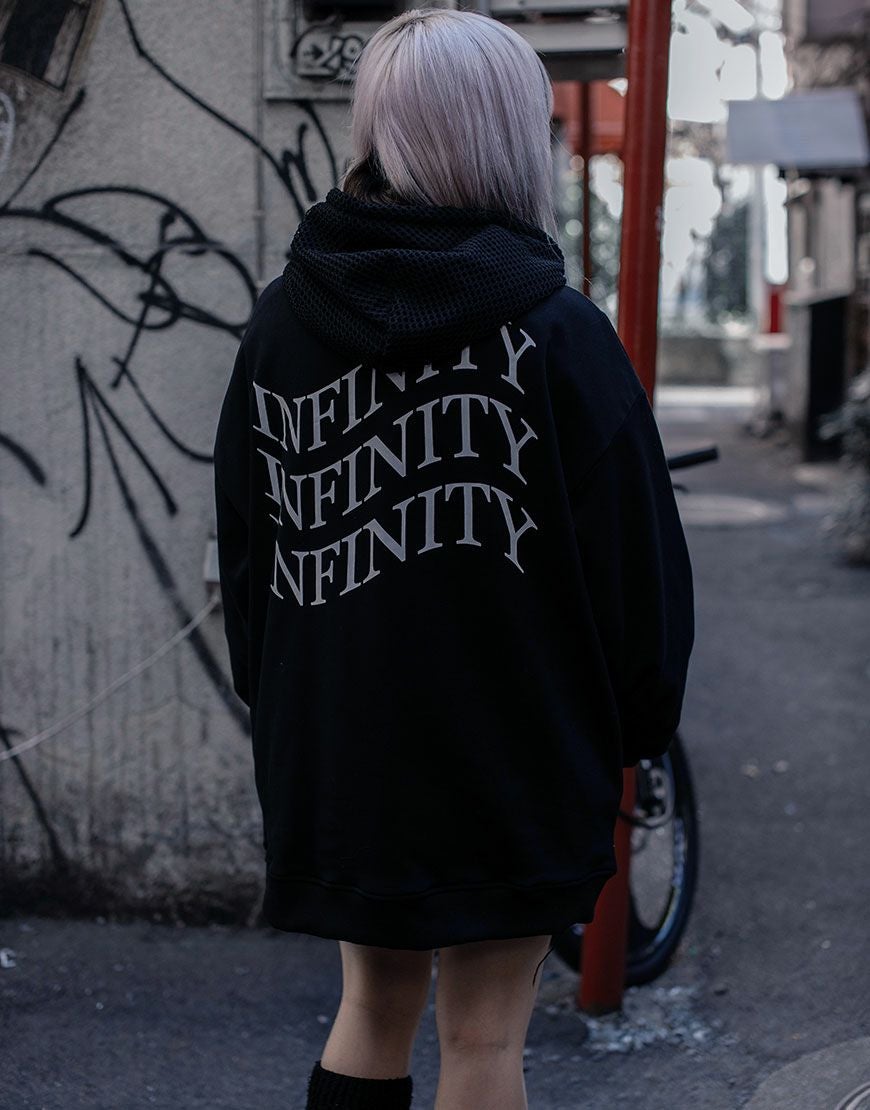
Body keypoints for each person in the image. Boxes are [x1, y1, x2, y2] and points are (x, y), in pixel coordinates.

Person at [212, 7, 695, 1109]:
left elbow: (248, 549)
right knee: (483, 1041)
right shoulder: (561, 335)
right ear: (509, 134)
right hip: (516, 746)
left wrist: (284, 705)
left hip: (343, 743)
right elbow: (639, 579)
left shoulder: (283, 324)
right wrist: (634, 729)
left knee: (369, 1009)